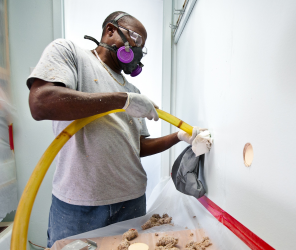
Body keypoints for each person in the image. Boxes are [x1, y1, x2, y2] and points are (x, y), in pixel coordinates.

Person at [27, 11, 201, 247]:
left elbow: (137, 147)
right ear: (111, 31)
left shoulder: (132, 91)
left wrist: (179, 136)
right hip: (79, 205)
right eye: (136, 39)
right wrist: (123, 101)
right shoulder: (71, 54)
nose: (138, 50)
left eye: (143, 47)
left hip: (131, 202)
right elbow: (41, 103)